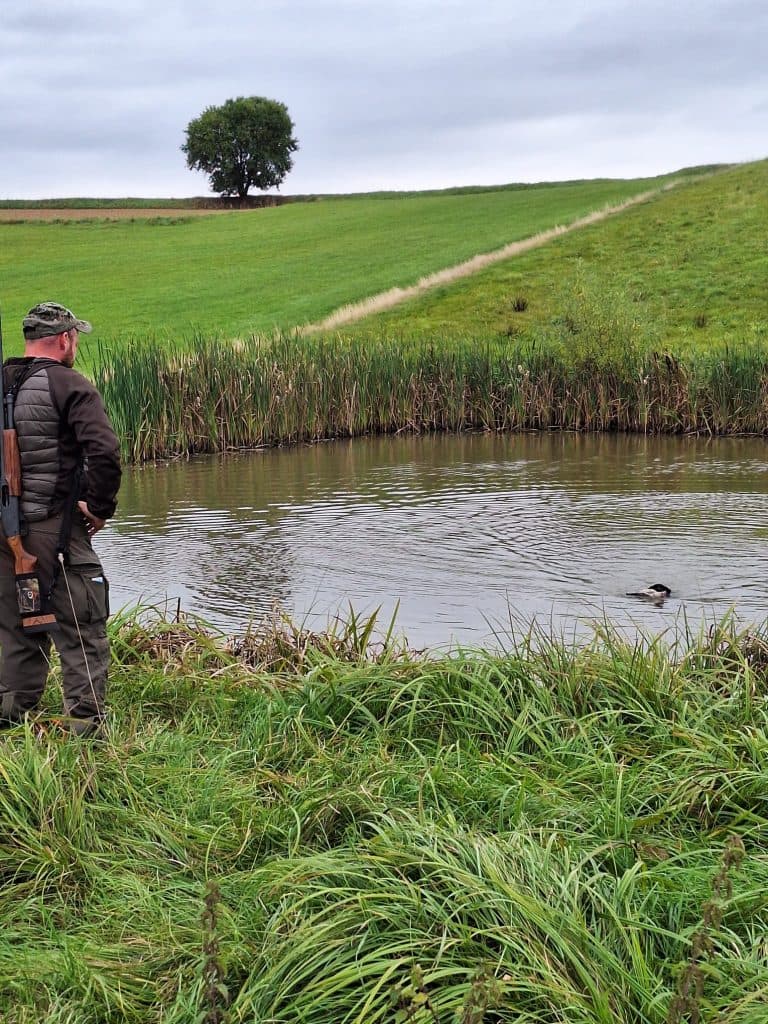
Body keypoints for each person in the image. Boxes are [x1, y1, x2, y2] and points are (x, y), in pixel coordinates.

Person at [0, 302, 121, 737]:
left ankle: (11, 717)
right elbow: (104, 452)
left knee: (16, 625)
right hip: (55, 529)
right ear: (66, 338)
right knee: (82, 625)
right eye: (75, 337)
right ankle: (86, 729)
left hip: (3, 532)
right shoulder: (69, 384)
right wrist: (99, 506)